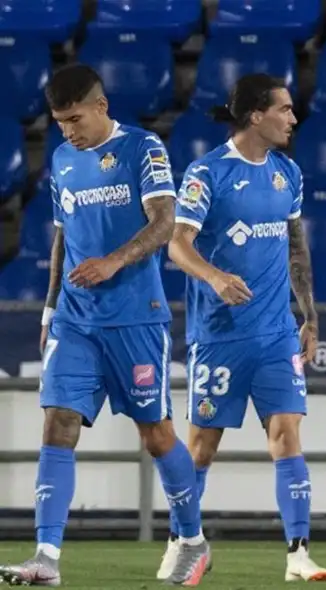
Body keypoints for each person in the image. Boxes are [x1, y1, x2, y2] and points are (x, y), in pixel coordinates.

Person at [0, 64, 210, 587]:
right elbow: (62, 237)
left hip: (135, 318)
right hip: (75, 319)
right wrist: (50, 310)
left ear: (101, 106)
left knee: (156, 435)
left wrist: (114, 261)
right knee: (58, 422)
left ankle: (192, 539)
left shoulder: (143, 148)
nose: (68, 132)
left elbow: (165, 222)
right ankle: (46, 557)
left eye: (75, 119)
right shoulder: (62, 160)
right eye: (59, 123)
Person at [165, 73, 326, 582]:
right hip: (219, 335)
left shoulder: (288, 173)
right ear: (256, 116)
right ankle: (183, 541)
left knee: (286, 433)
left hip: (276, 333)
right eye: (285, 109)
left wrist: (309, 315)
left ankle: (298, 554)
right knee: (201, 448)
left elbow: (296, 247)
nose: (293, 118)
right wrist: (215, 277)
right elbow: (177, 244)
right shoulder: (207, 173)